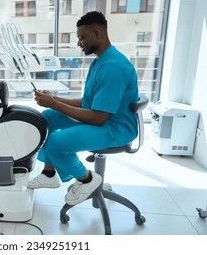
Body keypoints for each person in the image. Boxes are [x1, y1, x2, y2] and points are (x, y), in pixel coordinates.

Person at [28, 11, 140, 206]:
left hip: (115, 128)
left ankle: (87, 179)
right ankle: (49, 173)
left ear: (96, 33)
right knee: (46, 118)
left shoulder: (114, 67)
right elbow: (86, 103)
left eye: (81, 37)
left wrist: (54, 102)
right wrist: (52, 100)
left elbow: (98, 118)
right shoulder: (99, 61)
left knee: (55, 142)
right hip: (101, 119)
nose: (79, 43)